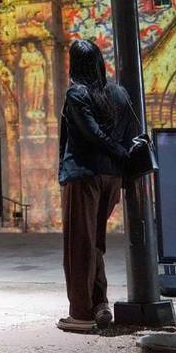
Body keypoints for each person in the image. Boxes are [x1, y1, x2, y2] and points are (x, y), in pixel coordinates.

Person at [56, 39, 137, 332]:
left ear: (74, 64)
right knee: (94, 243)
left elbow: (91, 133)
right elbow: (132, 130)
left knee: (79, 245)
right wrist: (121, 158)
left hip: (84, 176)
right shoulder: (119, 92)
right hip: (111, 178)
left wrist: (118, 152)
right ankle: (99, 304)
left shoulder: (77, 93)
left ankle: (81, 315)